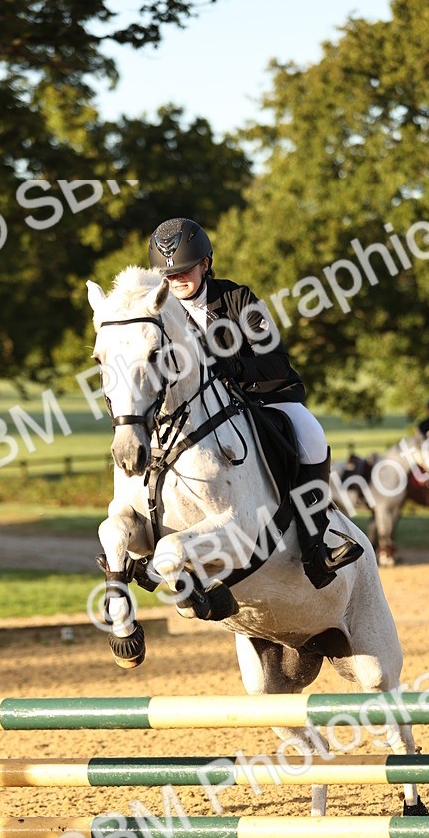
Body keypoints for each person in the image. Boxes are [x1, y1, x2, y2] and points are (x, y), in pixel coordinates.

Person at [148, 217, 362, 589]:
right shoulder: (162, 316)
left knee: (309, 433)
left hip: (265, 396)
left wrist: (230, 366)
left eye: (185, 270)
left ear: (205, 264)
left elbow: (275, 360)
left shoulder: (238, 299)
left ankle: (316, 548)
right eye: (169, 275)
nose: (177, 280)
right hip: (202, 413)